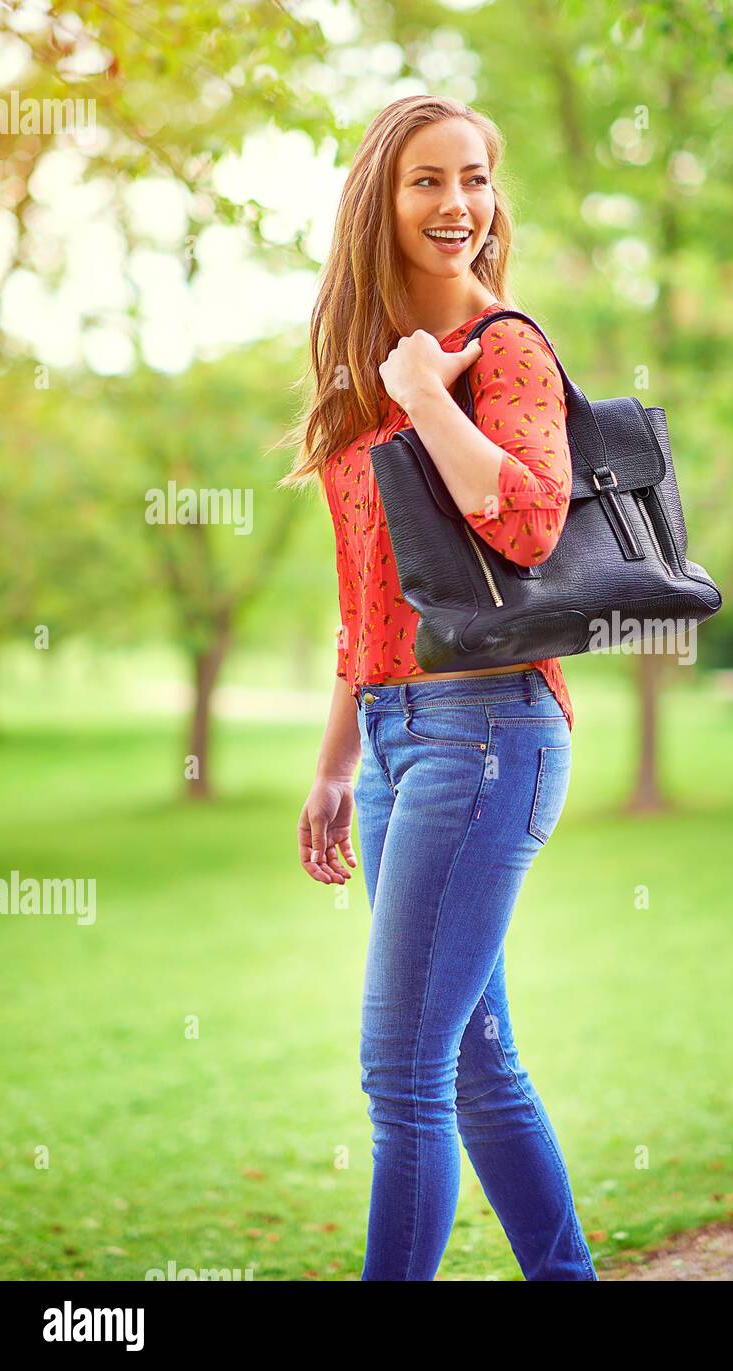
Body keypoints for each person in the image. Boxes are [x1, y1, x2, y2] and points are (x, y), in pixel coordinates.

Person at [281, 94, 596, 1282]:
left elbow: (524, 520)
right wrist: (336, 759)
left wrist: (428, 399)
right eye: (427, 181)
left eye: (474, 179)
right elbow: (366, 595)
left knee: (402, 1072)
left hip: (490, 732)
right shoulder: (363, 375)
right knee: (471, 1065)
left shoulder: (503, 347)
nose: (457, 204)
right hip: (401, 733)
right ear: (380, 199)